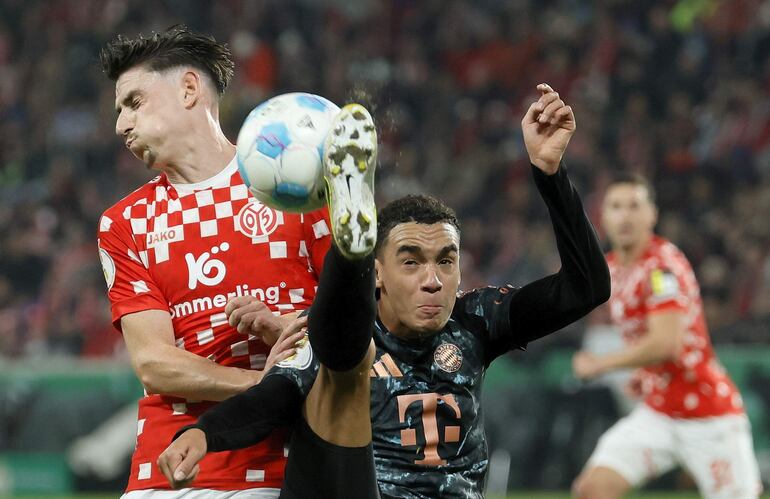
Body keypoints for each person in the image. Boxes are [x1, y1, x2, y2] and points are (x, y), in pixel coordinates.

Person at [159, 83, 611, 498]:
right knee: (338, 362)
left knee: (336, 357)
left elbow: (585, 288)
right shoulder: (339, 334)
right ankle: (349, 244)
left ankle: (348, 242)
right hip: (353, 485)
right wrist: (204, 433)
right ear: (380, 274)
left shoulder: (476, 320)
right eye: (411, 261)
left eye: (445, 262)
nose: (432, 279)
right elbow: (272, 397)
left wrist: (550, 174)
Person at [97, 26, 331, 498]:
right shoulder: (124, 223)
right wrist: (262, 383)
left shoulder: (297, 187)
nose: (120, 124)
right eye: (119, 109)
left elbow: (363, 319)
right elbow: (153, 363)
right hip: (167, 468)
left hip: (283, 462)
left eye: (134, 102)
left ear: (188, 89)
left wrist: (288, 331)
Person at [571, 174, 762, 499]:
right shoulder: (612, 269)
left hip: (708, 415)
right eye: (617, 206)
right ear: (603, 216)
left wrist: (601, 364)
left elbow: (666, 343)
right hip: (658, 411)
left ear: (652, 215)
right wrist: (645, 374)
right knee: (591, 490)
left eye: (635, 206)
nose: (626, 216)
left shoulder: (662, 268)